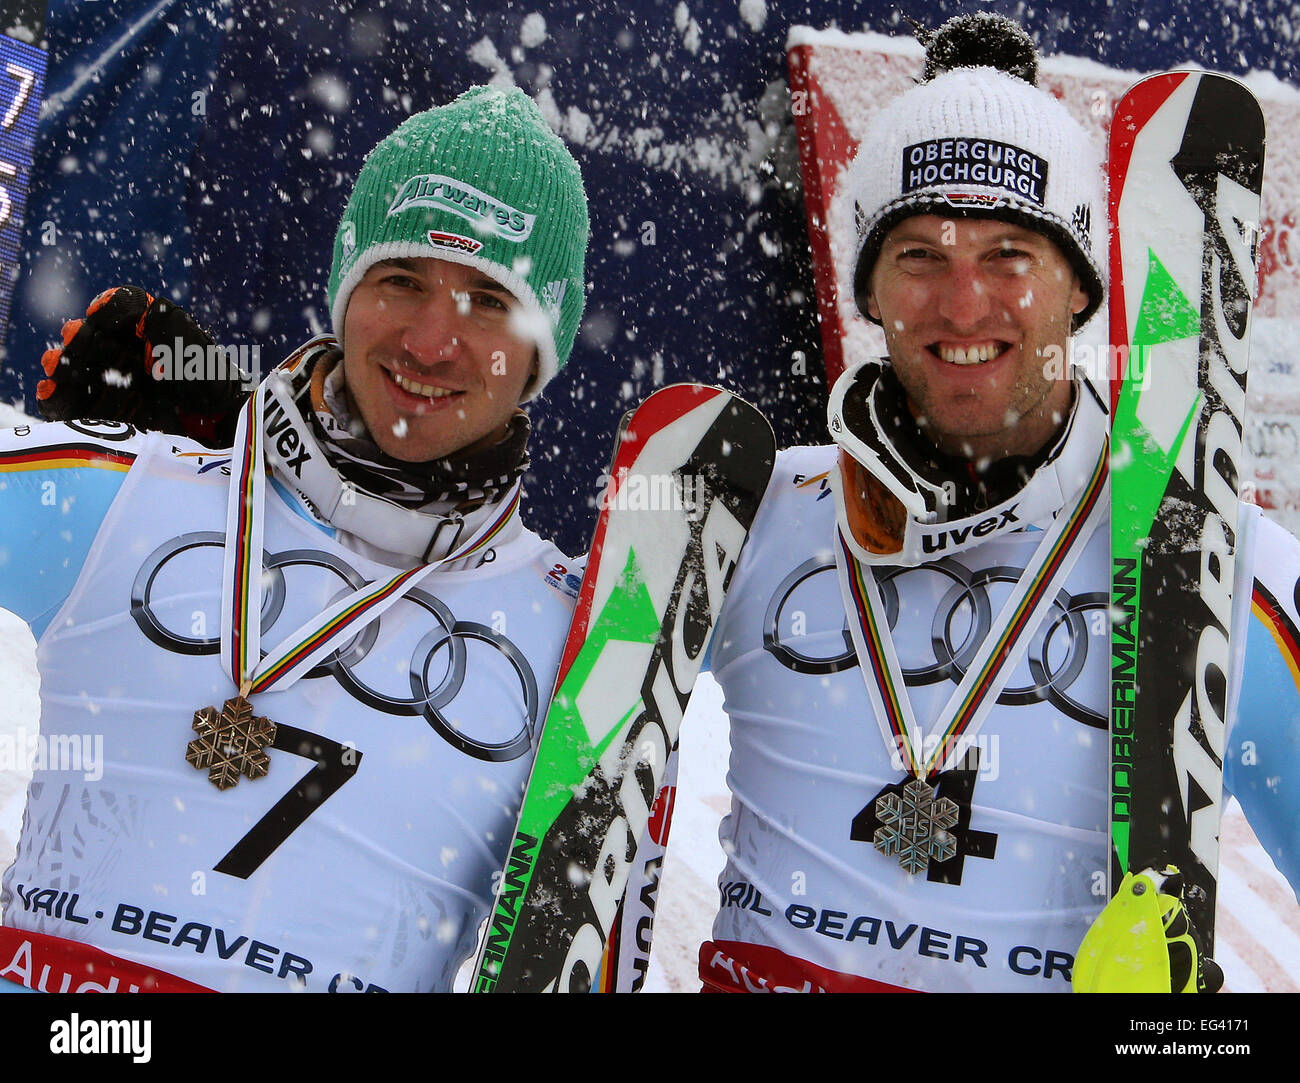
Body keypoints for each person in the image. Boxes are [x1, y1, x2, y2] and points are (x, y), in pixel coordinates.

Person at [698, 14, 1300, 993]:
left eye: (1011, 253)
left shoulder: (1222, 565)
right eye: (920, 255)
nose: (965, 304)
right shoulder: (750, 518)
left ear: (1078, 289)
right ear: (870, 290)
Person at [0, 85, 595, 992]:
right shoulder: (125, 498)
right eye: (401, 281)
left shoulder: (583, 642)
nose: (433, 341)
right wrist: (229, 440)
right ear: (345, 293)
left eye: (487, 301)